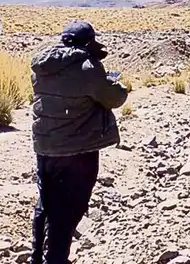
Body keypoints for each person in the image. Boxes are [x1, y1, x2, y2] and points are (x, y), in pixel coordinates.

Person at [30, 20, 129, 264]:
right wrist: (119, 85)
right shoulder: (87, 67)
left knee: (46, 204)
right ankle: (55, 259)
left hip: (45, 147)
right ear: (87, 42)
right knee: (68, 211)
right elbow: (113, 98)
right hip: (76, 151)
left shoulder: (43, 66)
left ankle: (37, 257)